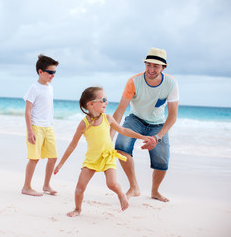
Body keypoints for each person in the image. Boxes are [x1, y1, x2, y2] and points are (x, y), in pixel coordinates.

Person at [54, 87, 154, 217]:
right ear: (91, 104)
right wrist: (61, 163)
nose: (106, 103)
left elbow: (123, 131)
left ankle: (121, 194)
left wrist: (142, 137)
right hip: (92, 160)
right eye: (103, 100)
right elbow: (73, 145)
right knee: (80, 188)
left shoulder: (108, 118)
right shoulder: (84, 124)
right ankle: (77, 209)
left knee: (111, 184)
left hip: (108, 157)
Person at [112, 47, 179, 202]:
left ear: (163, 68)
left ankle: (155, 191)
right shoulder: (134, 81)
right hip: (136, 119)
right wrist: (110, 134)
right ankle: (134, 186)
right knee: (121, 146)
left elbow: (173, 116)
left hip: (158, 124)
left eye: (156, 66)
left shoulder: (171, 83)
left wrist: (158, 137)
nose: (151, 69)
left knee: (162, 161)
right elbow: (120, 110)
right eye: (148, 65)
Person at [21, 54, 59, 197]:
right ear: (40, 72)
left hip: (48, 127)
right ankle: (26, 187)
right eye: (50, 72)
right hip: (36, 127)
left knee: (53, 157)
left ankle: (46, 185)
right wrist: (30, 131)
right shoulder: (34, 88)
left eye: (54, 72)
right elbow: (28, 111)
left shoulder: (50, 88)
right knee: (34, 158)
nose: (53, 75)